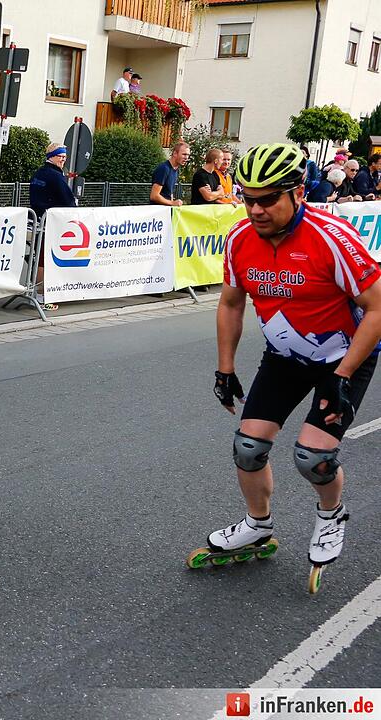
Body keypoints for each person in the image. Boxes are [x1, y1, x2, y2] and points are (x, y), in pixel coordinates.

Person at [208, 143, 381, 592]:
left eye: (268, 199)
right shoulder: (240, 239)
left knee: (313, 457)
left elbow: (377, 308)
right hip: (285, 358)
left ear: (299, 192)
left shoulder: (331, 237)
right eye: (248, 198)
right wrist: (224, 369)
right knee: (247, 448)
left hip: (343, 359)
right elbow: (230, 303)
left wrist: (342, 376)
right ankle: (257, 524)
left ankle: (330, 515)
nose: (256, 209)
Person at [30, 143, 78, 311]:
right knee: (44, 260)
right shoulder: (56, 176)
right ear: (51, 157)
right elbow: (68, 201)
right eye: (60, 156)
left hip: (39, 221)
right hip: (50, 223)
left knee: (40, 259)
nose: (63, 160)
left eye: (65, 157)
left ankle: (38, 295)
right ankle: (42, 298)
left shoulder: (39, 173)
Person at [150, 141, 190, 207]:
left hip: (167, 211)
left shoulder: (176, 169)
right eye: (184, 154)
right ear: (175, 153)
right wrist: (172, 203)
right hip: (158, 212)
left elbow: (169, 192)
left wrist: (172, 204)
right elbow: (154, 196)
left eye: (188, 155)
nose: (186, 158)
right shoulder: (164, 169)